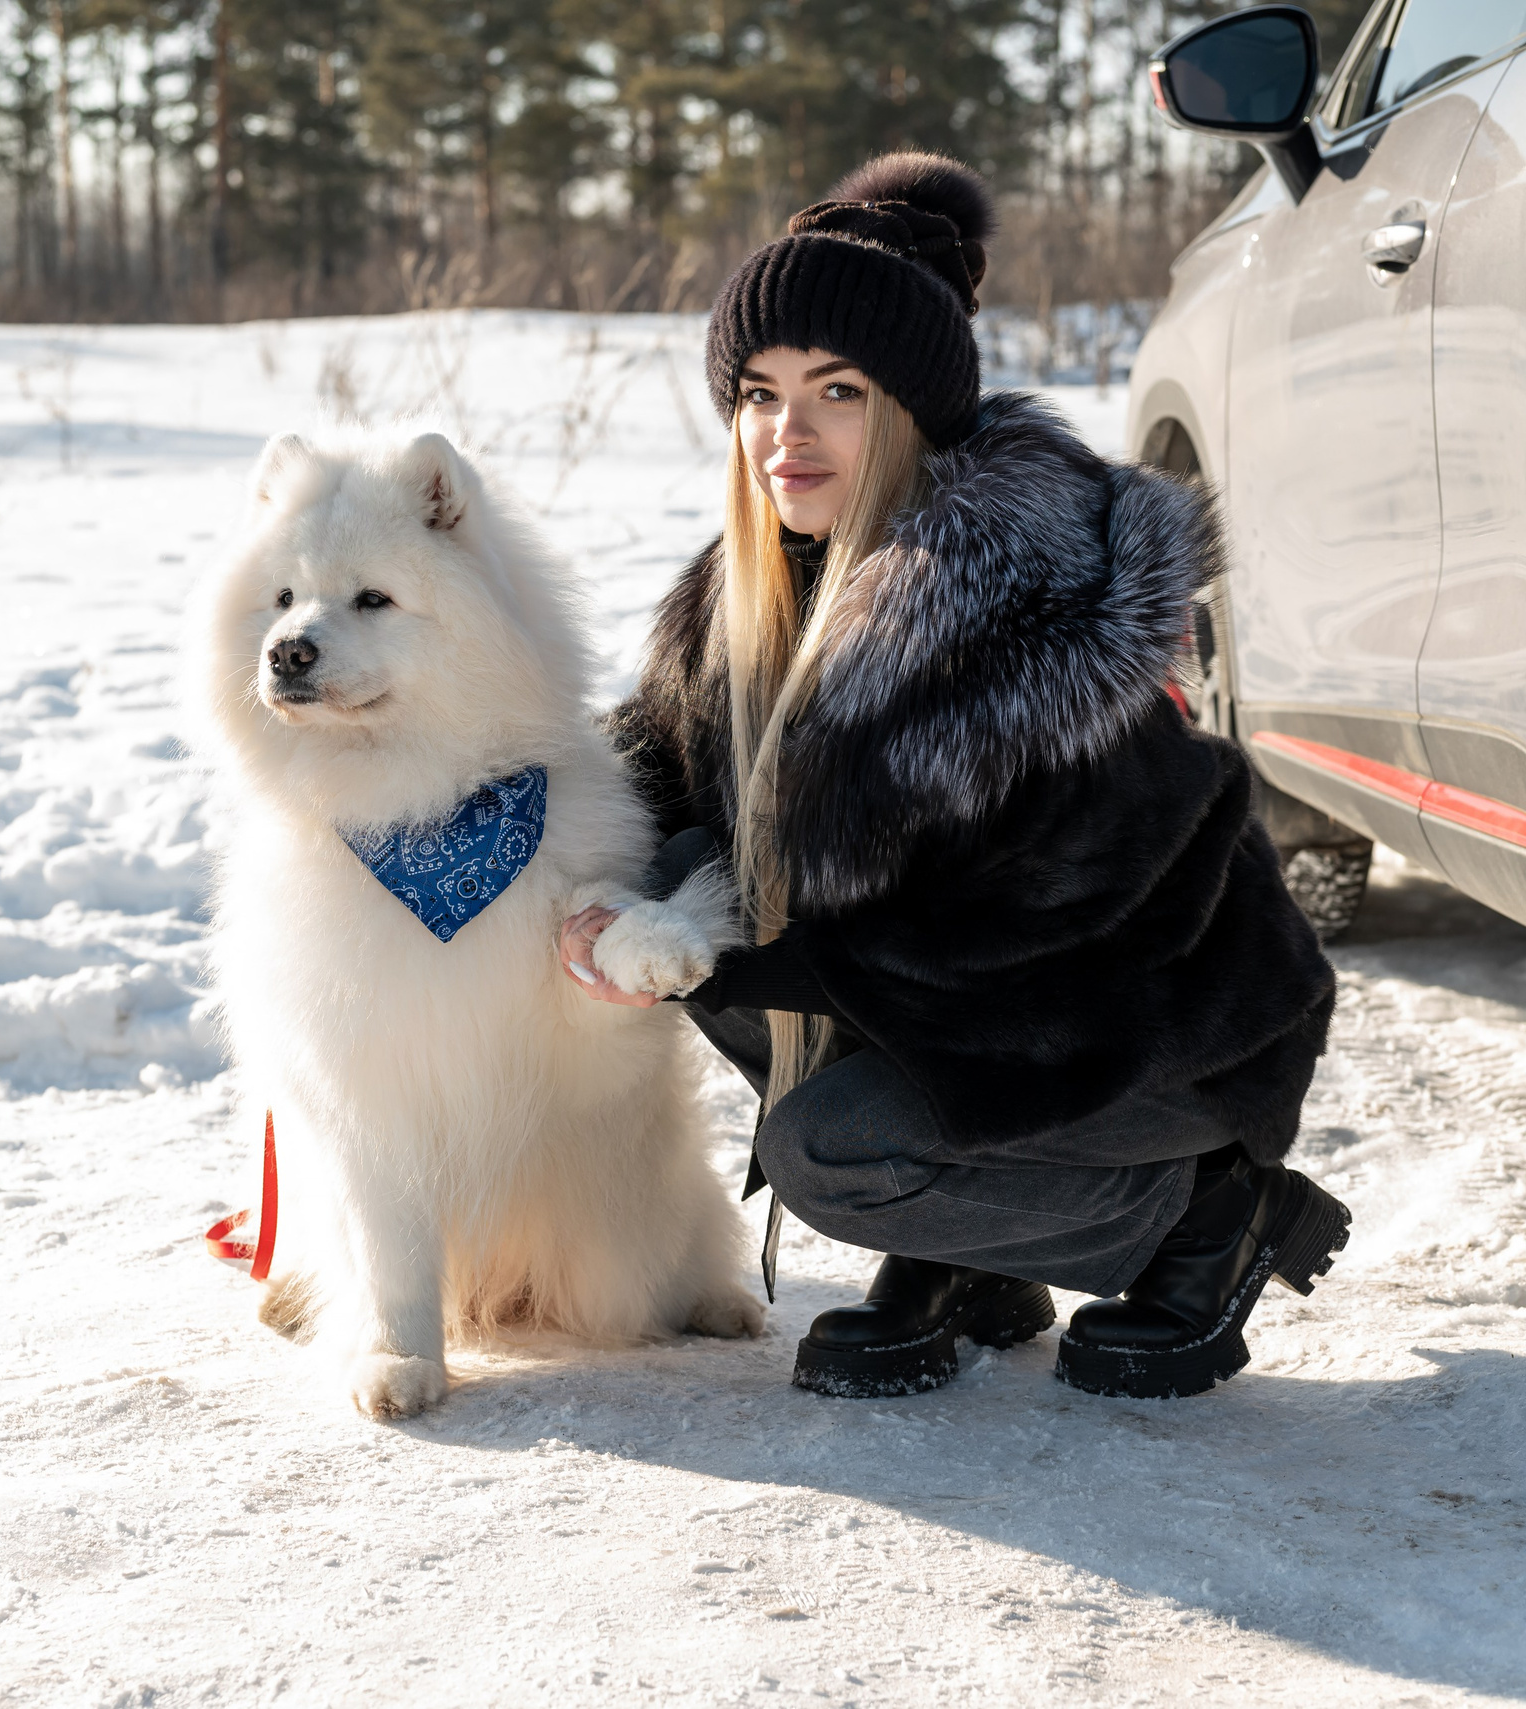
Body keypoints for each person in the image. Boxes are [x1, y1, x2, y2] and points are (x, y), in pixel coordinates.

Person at [561, 152, 1345, 1401]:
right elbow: (648, 774)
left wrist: (727, 945)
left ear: (916, 410)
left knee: (825, 1143)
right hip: (977, 1031)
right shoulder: (753, 590)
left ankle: (1209, 1214)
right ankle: (959, 1249)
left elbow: (1047, 933)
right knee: (669, 881)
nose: (786, 434)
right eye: (759, 394)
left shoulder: (1013, 604)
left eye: (838, 391)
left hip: (1146, 1031)